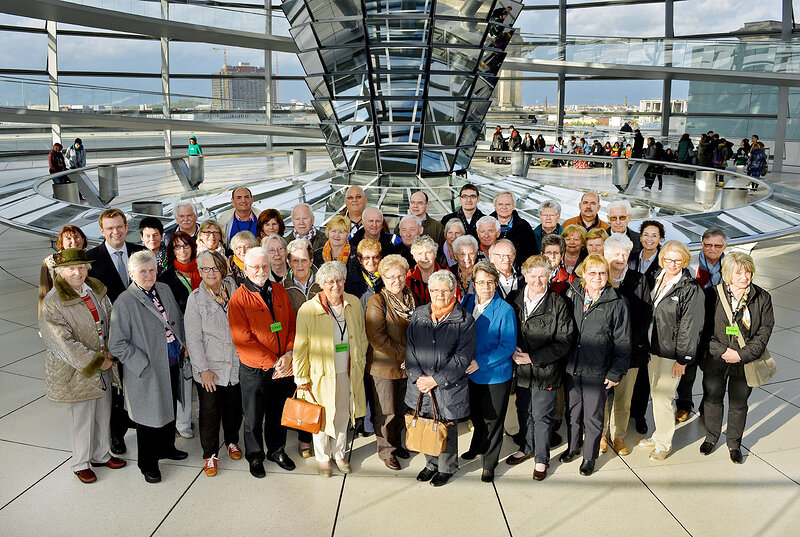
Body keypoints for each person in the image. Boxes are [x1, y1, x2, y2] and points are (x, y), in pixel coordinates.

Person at [39, 248, 126, 484]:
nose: (77, 273)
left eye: (81, 267)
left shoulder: (96, 290)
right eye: (71, 268)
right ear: (60, 272)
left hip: (105, 363)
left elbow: (111, 318)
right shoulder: (53, 302)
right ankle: (80, 462)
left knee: (102, 411)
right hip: (77, 371)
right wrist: (98, 361)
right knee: (82, 418)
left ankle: (100, 454)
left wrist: (112, 350)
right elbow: (62, 342)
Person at [108, 251, 188, 483]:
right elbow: (117, 344)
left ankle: (167, 448)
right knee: (148, 417)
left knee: (169, 406)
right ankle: (148, 464)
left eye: (152, 270)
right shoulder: (125, 301)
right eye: (142, 271)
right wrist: (141, 364)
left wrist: (182, 344)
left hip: (171, 360)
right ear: (132, 274)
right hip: (147, 368)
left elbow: (177, 319)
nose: (148, 275)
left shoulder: (163, 289)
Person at [294, 261, 368, 477]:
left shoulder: (353, 303)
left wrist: (360, 359)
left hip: (347, 370)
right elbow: (300, 346)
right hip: (320, 374)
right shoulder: (309, 309)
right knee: (322, 416)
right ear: (321, 285)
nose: (335, 285)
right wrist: (301, 377)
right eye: (330, 282)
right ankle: (323, 458)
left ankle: (340, 454)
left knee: (343, 414)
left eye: (339, 280)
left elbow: (362, 335)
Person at [228, 247, 298, 478]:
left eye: (265, 266)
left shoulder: (278, 289)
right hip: (255, 370)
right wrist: (273, 361)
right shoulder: (238, 299)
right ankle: (255, 456)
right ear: (245, 268)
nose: (261, 271)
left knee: (278, 413)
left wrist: (288, 354)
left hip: (282, 365)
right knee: (253, 417)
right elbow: (243, 340)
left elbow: (291, 325)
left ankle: (276, 451)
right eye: (255, 267)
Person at [560, 254, 630, 476]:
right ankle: (573, 447)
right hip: (572, 366)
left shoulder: (616, 302)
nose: (597, 277)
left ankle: (589, 456)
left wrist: (616, 371)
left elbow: (623, 340)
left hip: (598, 369)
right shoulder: (573, 293)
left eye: (602, 273)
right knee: (573, 412)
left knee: (592, 415)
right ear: (584, 274)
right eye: (592, 272)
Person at [701, 252, 774, 464]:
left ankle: (734, 443)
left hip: (745, 361)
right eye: (739, 273)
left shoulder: (762, 297)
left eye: (748, 272)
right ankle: (711, 437)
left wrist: (741, 354)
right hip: (716, 358)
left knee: (739, 403)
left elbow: (765, 330)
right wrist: (721, 351)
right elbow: (703, 331)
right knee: (712, 398)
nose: (744, 277)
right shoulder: (711, 295)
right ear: (727, 274)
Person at [406, 270, 476, 487]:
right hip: (421, 383)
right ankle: (431, 464)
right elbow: (410, 348)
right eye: (435, 290)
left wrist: (435, 380)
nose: (440, 295)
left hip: (448, 386)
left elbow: (462, 358)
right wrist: (418, 377)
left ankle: (446, 467)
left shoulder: (465, 319)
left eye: (445, 290)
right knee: (427, 423)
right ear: (429, 291)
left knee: (446, 426)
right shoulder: (419, 314)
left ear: (453, 290)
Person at [507, 255, 573, 481]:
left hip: (546, 370)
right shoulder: (514, 300)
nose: (537, 280)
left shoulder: (558, 304)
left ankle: (541, 459)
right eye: (532, 275)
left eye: (542, 275)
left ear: (550, 275)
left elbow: (564, 342)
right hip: (521, 371)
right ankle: (526, 448)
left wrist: (532, 358)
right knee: (524, 411)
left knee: (542, 416)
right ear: (524, 276)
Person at [638, 241, 704, 461]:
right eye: (668, 259)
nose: (672, 263)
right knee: (656, 395)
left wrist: (683, 359)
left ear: (684, 261)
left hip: (671, 353)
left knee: (663, 397)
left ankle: (664, 443)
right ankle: (658, 435)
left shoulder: (689, 288)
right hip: (653, 347)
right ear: (662, 259)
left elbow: (691, 327)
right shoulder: (656, 278)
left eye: (677, 260)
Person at [87, 209, 146, 455]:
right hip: (111, 335)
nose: (115, 232)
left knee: (139, 381)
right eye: (110, 228)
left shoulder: (140, 253)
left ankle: (141, 423)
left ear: (126, 226)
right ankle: (116, 434)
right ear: (102, 231)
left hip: (141, 332)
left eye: (119, 226)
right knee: (115, 387)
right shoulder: (91, 260)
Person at [184, 251, 243, 477]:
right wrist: (203, 369)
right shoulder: (195, 299)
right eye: (205, 269)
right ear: (199, 272)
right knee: (209, 412)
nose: (210, 273)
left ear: (222, 269)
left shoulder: (235, 291)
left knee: (234, 409)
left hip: (235, 364)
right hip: (210, 369)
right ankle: (210, 455)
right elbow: (193, 338)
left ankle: (232, 441)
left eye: (214, 268)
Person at [461, 262, 516, 482]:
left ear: (496, 283)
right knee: (476, 416)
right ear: (473, 284)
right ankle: (476, 446)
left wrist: (480, 362)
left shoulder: (505, 310)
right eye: (481, 282)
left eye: (491, 282)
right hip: (470, 373)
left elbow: (507, 346)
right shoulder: (466, 302)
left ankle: (489, 463)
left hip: (494, 374)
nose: (486, 286)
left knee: (493, 421)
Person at [600, 234, 652, 457]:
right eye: (616, 254)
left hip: (630, 352)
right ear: (605, 255)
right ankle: (600, 434)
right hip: (601, 352)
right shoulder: (598, 278)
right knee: (600, 397)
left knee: (623, 398)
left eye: (625, 254)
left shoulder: (639, 280)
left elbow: (645, 315)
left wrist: (626, 341)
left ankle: (618, 435)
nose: (620, 258)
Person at [365, 255, 418, 470]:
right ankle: (386, 450)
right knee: (386, 412)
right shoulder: (376, 302)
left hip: (406, 366)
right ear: (383, 278)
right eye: (390, 277)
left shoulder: (411, 298)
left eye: (400, 275)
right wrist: (406, 356)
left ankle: (397, 443)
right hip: (384, 366)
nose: (396, 280)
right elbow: (377, 338)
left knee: (401, 409)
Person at [677, 227, 728, 421]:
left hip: (717, 326)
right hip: (693, 324)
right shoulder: (690, 265)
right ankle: (684, 404)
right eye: (708, 245)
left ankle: (707, 408)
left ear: (725, 245)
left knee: (712, 372)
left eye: (717, 245)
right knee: (687, 369)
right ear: (701, 245)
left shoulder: (730, 266)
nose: (712, 249)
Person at [157, 231, 200, 440]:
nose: (182, 250)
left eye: (186, 246)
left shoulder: (203, 271)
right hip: (181, 336)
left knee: (205, 377)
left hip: (205, 333)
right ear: (172, 252)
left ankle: (204, 414)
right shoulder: (165, 279)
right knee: (185, 380)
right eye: (177, 247)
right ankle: (183, 422)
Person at [39, 225, 88, 317]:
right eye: (68, 238)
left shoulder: (93, 257)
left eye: (77, 237)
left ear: (83, 239)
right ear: (61, 242)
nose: (73, 241)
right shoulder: (50, 262)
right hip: (63, 310)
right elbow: (44, 293)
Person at [491, 191, 536, 262]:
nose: (504, 207)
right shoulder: (485, 223)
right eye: (500, 204)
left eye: (508, 204)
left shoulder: (524, 227)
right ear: (495, 206)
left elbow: (532, 254)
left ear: (514, 206)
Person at [282, 238, 321, 314]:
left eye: (304, 260)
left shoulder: (324, 283)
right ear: (289, 263)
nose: (300, 265)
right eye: (295, 261)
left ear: (311, 261)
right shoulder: (282, 288)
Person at [344, 238, 383, 310]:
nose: (371, 261)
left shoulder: (387, 279)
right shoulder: (351, 281)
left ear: (380, 258)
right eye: (367, 258)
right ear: (360, 259)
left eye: (375, 257)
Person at [406, 235, 445, 305]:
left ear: (435, 254)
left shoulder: (446, 274)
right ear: (414, 257)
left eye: (429, 252)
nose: (424, 257)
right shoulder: (408, 277)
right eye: (419, 254)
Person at [628, 220, 664, 285]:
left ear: (660, 240)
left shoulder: (663, 263)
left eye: (654, 236)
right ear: (641, 237)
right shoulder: (630, 258)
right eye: (646, 235)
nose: (649, 239)